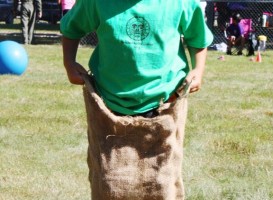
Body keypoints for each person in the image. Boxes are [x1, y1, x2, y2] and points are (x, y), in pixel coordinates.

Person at [60, 0, 213, 197]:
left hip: (165, 104)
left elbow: (197, 37)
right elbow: (71, 29)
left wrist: (198, 70)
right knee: (109, 183)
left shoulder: (180, 3)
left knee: (162, 182)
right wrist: (69, 63)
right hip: (109, 108)